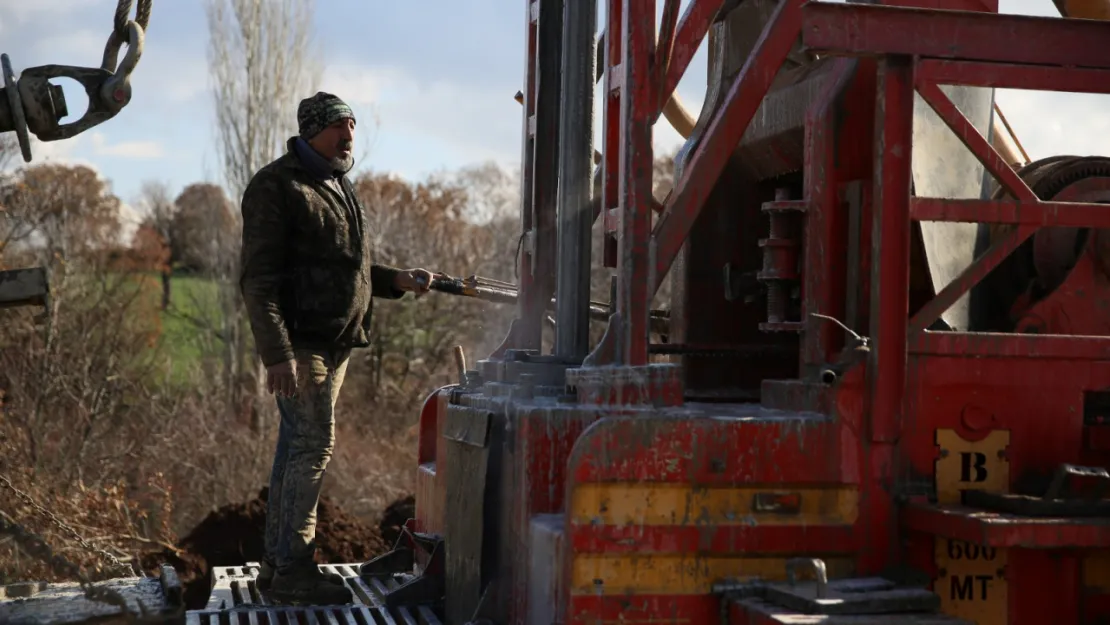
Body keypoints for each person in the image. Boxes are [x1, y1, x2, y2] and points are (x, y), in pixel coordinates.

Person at [239, 91, 436, 605]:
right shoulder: (277, 186)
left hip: (335, 343)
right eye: (338, 128)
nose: (349, 136)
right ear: (311, 131)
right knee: (311, 448)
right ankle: (294, 573)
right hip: (303, 346)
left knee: (297, 448)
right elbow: (258, 281)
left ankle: (278, 567)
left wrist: (396, 280)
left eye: (352, 126)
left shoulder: (336, 184)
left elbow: (344, 268)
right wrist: (278, 354)